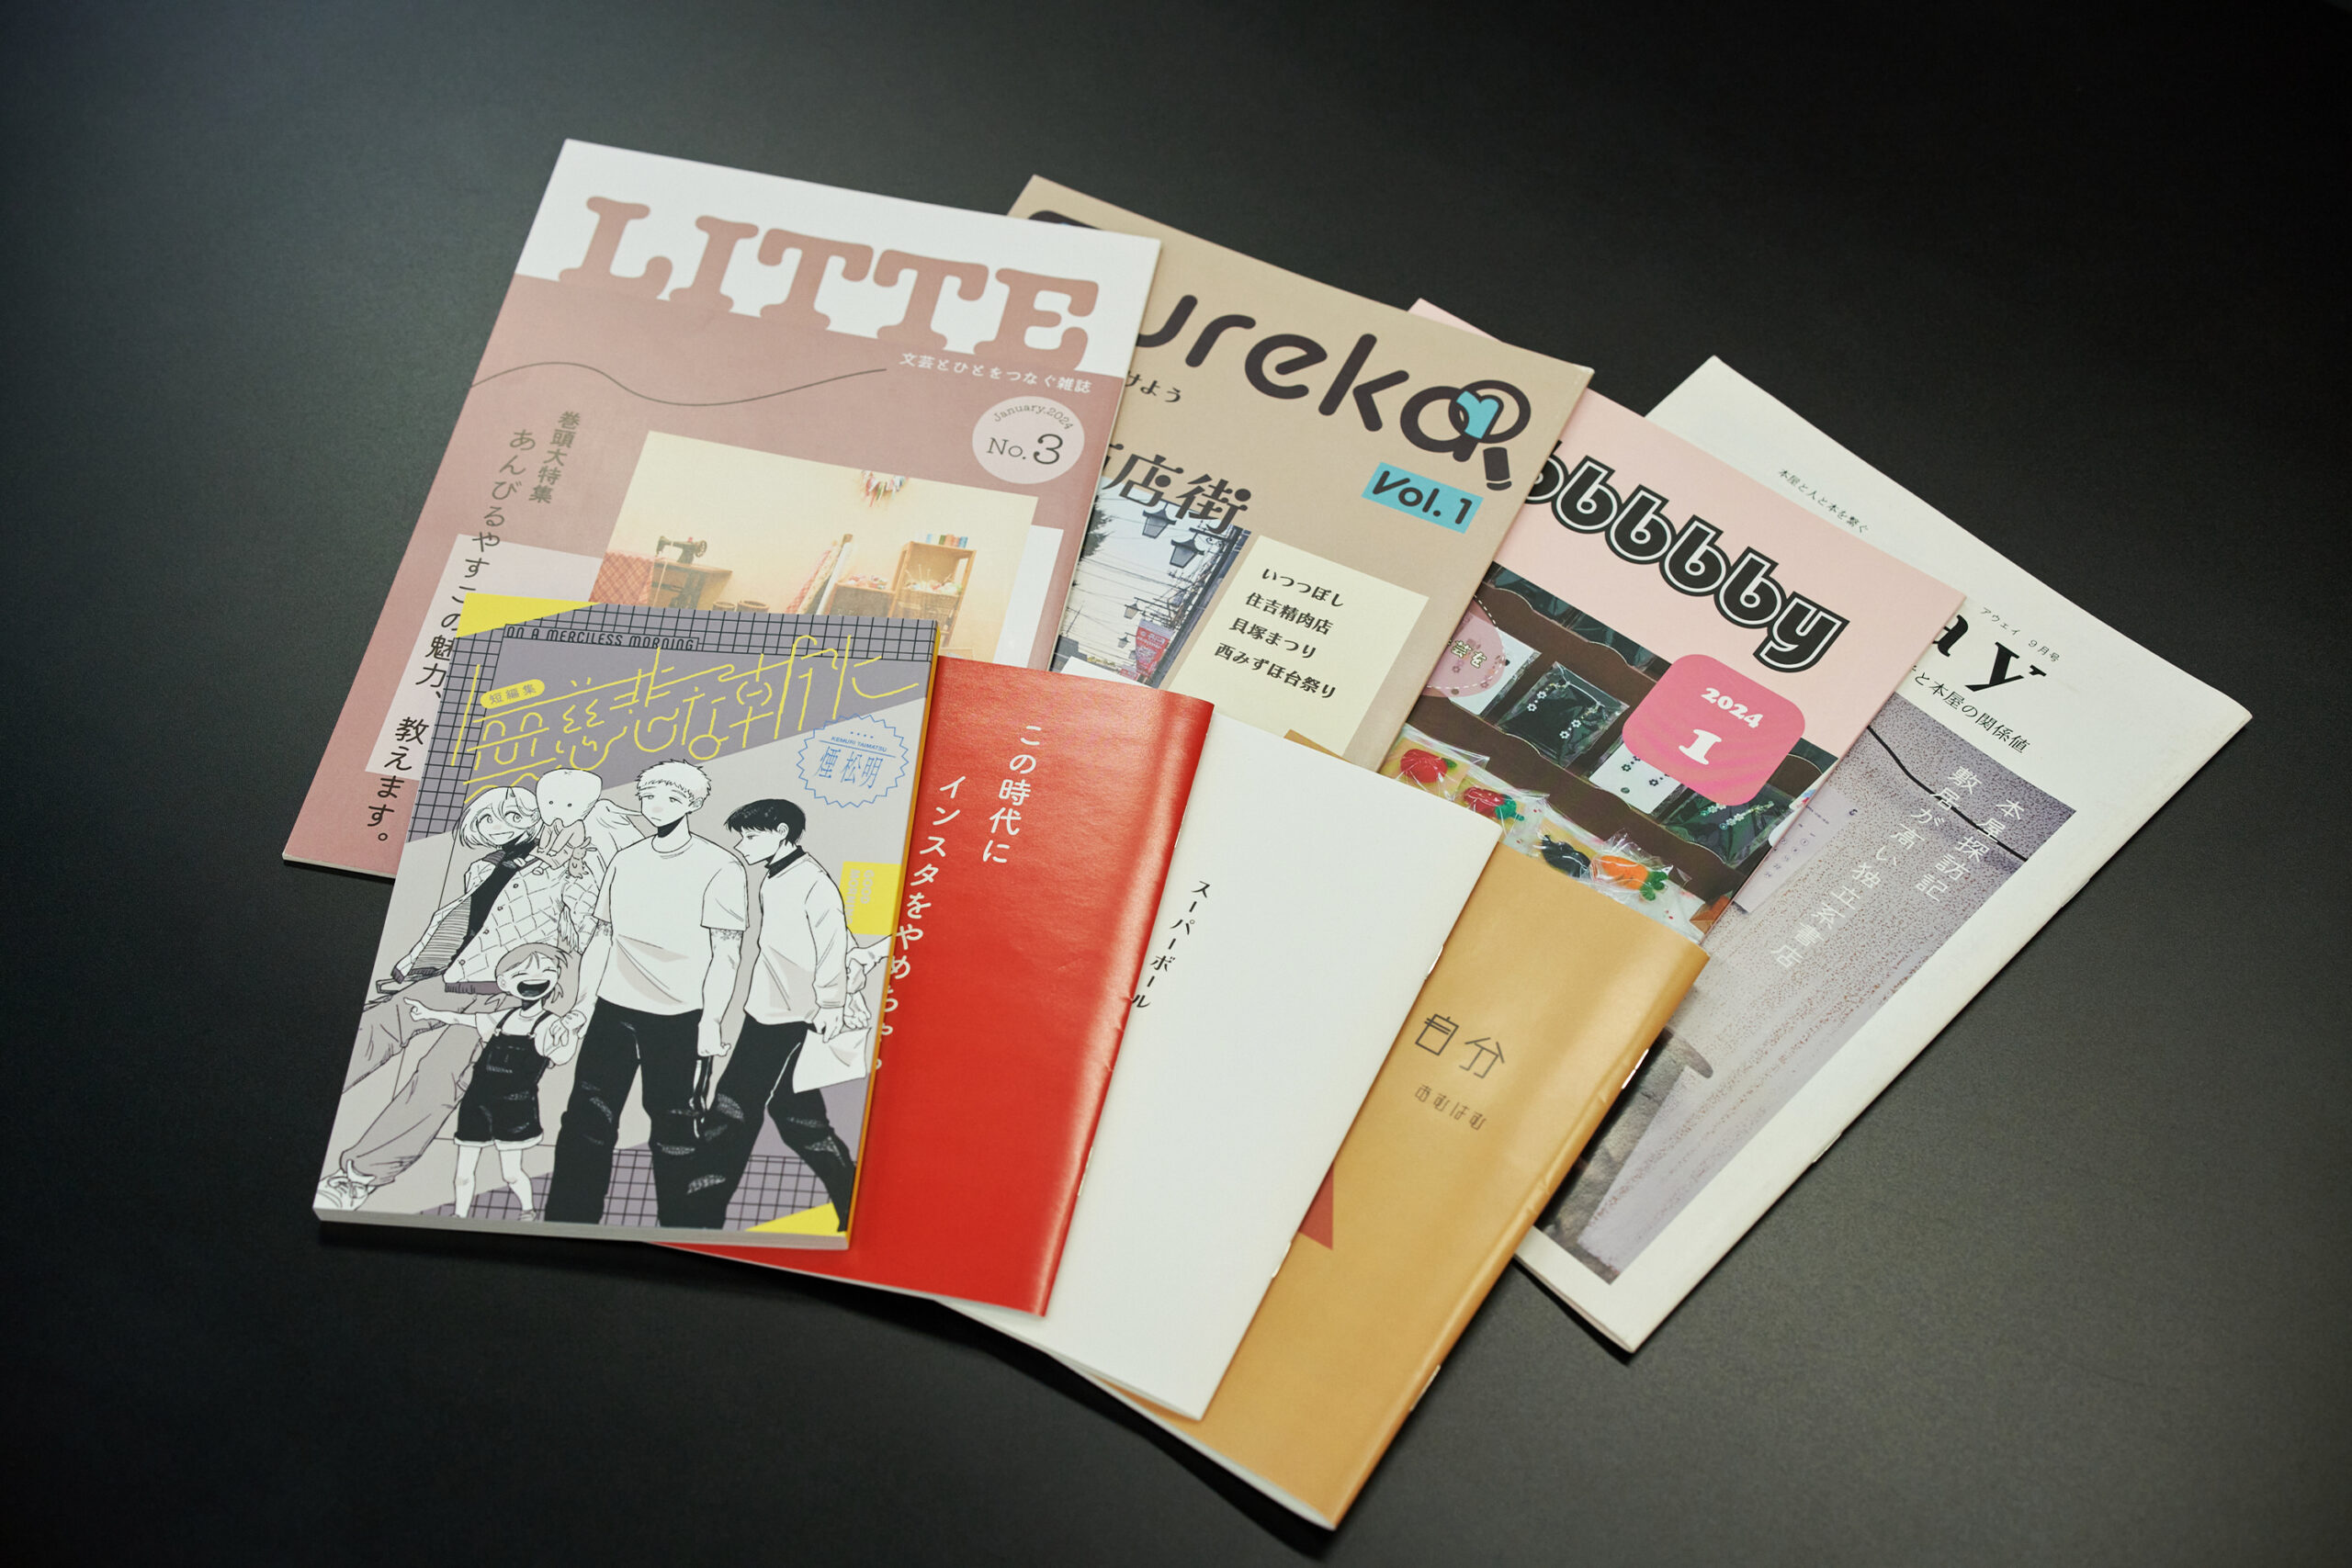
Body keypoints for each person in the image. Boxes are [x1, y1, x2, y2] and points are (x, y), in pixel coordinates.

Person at [316, 772, 633, 1213]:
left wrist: (575, 868)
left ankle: (358, 1178)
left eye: (512, 815)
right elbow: (458, 928)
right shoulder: (486, 867)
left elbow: (586, 928)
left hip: (509, 997)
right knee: (375, 1026)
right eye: (487, 820)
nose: (498, 826)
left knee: (438, 1080)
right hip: (454, 978)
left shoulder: (578, 862)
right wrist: (412, 972)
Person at [542, 761, 750, 1227]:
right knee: (586, 1120)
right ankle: (566, 1224)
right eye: (649, 796)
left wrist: (711, 1021)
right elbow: (602, 936)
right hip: (613, 1009)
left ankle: (684, 1231)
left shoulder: (720, 865)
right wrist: (582, 1005)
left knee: (675, 1126)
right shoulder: (626, 859)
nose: (657, 806)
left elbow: (727, 951)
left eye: (672, 798)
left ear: (692, 805)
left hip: (679, 1016)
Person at [673, 798, 865, 1231]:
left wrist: (831, 1003)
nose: (742, 845)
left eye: (750, 836)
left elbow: (833, 942)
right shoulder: (777, 877)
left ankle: (699, 1217)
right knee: (798, 1118)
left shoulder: (809, 880)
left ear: (781, 832)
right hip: (772, 1008)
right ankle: (855, 1203)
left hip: (788, 1015)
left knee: (732, 1109)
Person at [405, 944, 579, 1219]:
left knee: (511, 1174)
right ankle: (459, 1218)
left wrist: (568, 1036)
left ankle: (528, 1211)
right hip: (477, 1103)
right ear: (505, 983)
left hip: (515, 1107)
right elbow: (462, 1018)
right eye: (522, 973)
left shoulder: (550, 1024)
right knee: (463, 1174)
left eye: (545, 971)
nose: (534, 979)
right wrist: (428, 1013)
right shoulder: (502, 1018)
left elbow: (561, 1056)